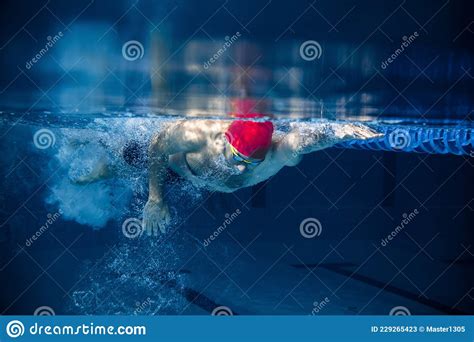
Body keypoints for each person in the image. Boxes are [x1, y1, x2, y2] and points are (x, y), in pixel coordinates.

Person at [141, 116, 382, 235]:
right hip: (172, 170)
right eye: (238, 158)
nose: (243, 169)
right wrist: (155, 198)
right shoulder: (199, 133)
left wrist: (340, 132)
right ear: (226, 140)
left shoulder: (276, 152)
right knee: (107, 170)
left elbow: (300, 141)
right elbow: (157, 146)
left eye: (253, 162)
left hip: (204, 181)